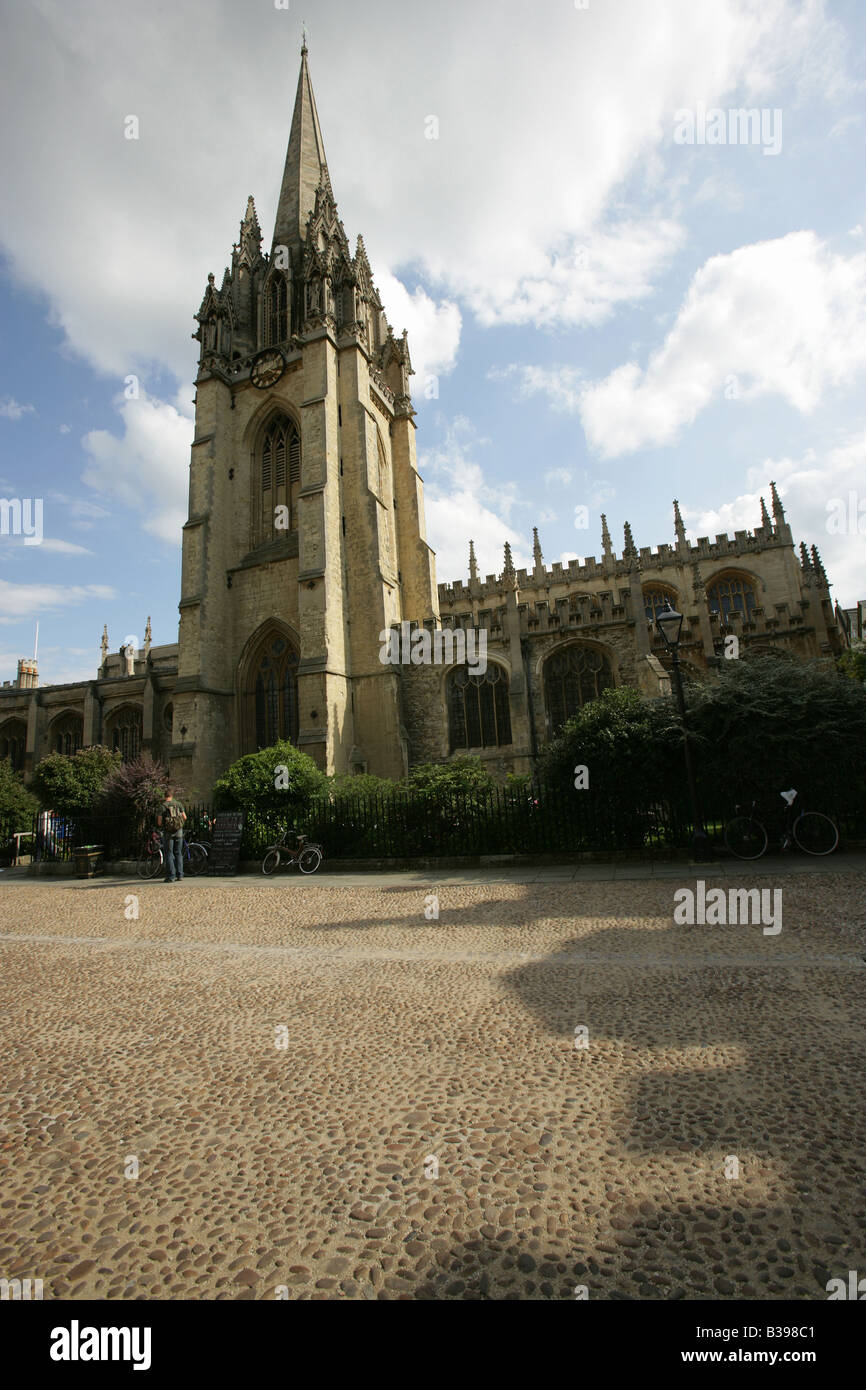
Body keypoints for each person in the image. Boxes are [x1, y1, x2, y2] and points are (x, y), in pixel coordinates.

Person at [157, 787, 187, 882]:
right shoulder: (178, 804)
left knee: (169, 853)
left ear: (165, 796)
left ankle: (171, 876)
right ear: (172, 795)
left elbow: (159, 822)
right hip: (179, 831)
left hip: (168, 833)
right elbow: (185, 817)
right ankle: (180, 875)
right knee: (178, 853)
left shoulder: (163, 806)